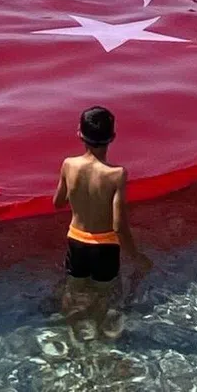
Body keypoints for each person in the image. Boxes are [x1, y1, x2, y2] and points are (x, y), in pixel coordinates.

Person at [53, 106, 151, 308]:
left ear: (79, 133)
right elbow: (118, 225)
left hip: (76, 242)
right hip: (105, 247)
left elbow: (58, 202)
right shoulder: (117, 174)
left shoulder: (68, 164)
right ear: (113, 137)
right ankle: (101, 335)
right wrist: (136, 256)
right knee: (104, 296)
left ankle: (69, 332)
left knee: (73, 290)